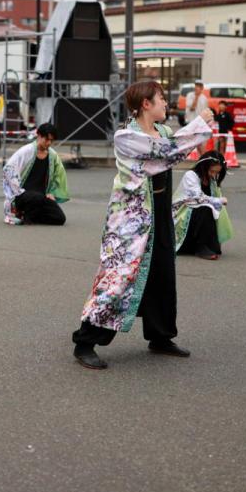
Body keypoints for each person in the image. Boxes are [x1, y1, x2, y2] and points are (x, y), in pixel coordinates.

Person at [71, 80, 214, 370]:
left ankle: (161, 336)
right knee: (117, 279)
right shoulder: (126, 136)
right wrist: (199, 125)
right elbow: (164, 153)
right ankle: (85, 341)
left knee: (162, 273)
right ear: (145, 104)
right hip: (130, 220)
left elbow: (173, 151)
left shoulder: (164, 131)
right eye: (161, 98)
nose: (165, 103)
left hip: (158, 210)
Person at [2, 122, 70, 226]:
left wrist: (51, 192)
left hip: (42, 197)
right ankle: (24, 214)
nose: (49, 143)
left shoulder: (52, 156)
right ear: (38, 136)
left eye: (51, 140)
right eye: (46, 139)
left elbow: (58, 176)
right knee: (36, 197)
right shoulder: (26, 151)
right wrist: (18, 191)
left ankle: (29, 215)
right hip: (23, 196)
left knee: (59, 218)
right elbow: (8, 169)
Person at [173, 150, 232, 260]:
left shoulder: (211, 179)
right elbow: (198, 198)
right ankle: (201, 247)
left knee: (211, 208)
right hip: (183, 212)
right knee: (205, 208)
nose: (213, 175)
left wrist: (218, 203)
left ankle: (205, 245)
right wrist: (218, 201)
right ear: (203, 167)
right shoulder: (190, 175)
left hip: (199, 212)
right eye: (212, 171)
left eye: (217, 173)